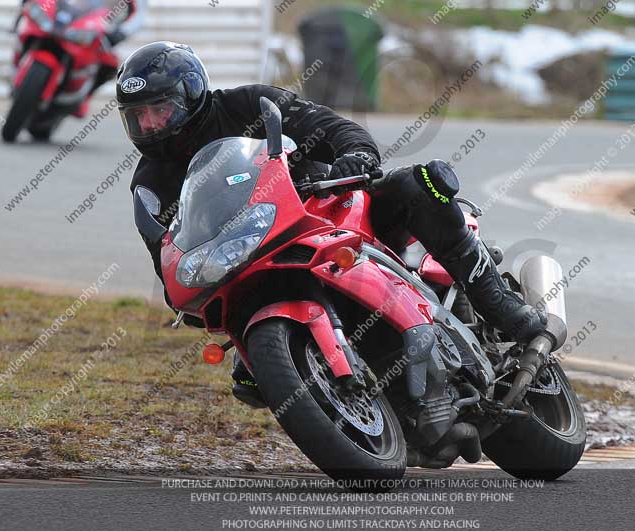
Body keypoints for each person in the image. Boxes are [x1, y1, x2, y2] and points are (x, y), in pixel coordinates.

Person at [118, 42, 547, 408]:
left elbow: (328, 125)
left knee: (420, 186)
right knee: (251, 382)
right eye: (139, 115)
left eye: (160, 108)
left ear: (191, 94)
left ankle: (498, 304)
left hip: (328, 208)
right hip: (254, 262)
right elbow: (168, 258)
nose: (150, 123)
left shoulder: (247, 105)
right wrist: (189, 295)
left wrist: (356, 154)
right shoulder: (149, 184)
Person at [17, 0, 146, 94]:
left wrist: (119, 33)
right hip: (61, 15)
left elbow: (138, 15)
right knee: (29, 21)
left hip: (94, 27)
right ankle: (18, 64)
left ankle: (83, 96)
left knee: (110, 64)